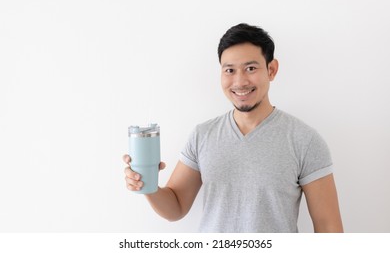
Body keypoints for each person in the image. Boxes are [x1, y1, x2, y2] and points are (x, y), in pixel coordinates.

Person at [123, 23, 343, 233]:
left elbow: (328, 227)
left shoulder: (305, 140)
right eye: (229, 70)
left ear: (272, 70)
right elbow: (176, 207)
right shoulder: (203, 135)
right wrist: (147, 184)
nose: (240, 81)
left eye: (250, 68)